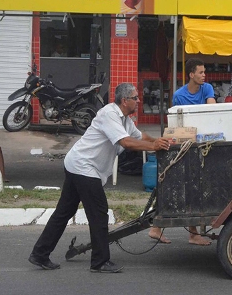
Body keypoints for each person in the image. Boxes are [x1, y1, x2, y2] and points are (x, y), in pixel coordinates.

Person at [29, 83, 171, 272]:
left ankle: (39, 254)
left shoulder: (125, 120)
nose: (138, 100)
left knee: (64, 212)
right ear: (124, 100)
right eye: (135, 98)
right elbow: (126, 142)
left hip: (78, 165)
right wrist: (154, 147)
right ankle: (100, 261)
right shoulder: (109, 114)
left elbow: (139, 136)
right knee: (99, 212)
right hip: (84, 167)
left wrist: (158, 141)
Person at [154, 58, 213, 246]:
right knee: (182, 185)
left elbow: (211, 110)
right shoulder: (179, 95)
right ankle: (186, 233)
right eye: (201, 72)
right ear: (191, 74)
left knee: (191, 186)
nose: (204, 75)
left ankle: (159, 229)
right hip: (186, 145)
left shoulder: (207, 89)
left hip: (202, 144)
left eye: (204, 72)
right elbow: (178, 123)